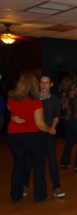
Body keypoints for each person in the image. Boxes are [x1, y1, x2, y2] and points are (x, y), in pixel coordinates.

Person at [6, 73, 55, 202]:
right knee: (38, 165)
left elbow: (11, 110)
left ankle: (15, 195)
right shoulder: (36, 102)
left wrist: (13, 117)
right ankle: (40, 196)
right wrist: (50, 129)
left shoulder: (11, 99)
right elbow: (40, 124)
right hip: (31, 137)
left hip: (13, 136)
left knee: (18, 164)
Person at [39, 74, 65, 198]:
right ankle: (24, 186)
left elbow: (56, 115)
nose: (44, 85)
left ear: (51, 84)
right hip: (34, 134)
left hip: (48, 133)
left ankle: (56, 187)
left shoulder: (55, 100)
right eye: (42, 82)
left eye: (46, 83)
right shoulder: (34, 98)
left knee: (52, 161)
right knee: (30, 161)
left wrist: (53, 127)